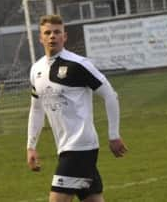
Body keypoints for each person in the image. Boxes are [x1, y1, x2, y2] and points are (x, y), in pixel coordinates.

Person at [26, 14, 127, 202]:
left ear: (65, 36)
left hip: (80, 146)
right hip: (64, 147)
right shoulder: (36, 69)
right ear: (40, 38)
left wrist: (114, 135)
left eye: (57, 32)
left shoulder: (79, 65)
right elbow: (36, 109)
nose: (52, 36)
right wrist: (31, 146)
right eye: (47, 33)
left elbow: (110, 95)